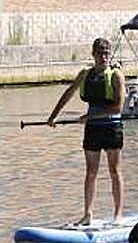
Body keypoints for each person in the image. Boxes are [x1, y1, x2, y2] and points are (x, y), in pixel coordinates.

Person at [47, 37, 126, 225]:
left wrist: (91, 117)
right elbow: (69, 92)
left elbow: (118, 108)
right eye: (100, 54)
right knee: (91, 172)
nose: (104, 57)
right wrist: (53, 116)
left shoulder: (116, 75)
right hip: (93, 129)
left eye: (106, 53)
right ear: (93, 55)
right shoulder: (85, 74)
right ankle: (88, 214)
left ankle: (118, 214)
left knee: (114, 171)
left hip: (111, 127)